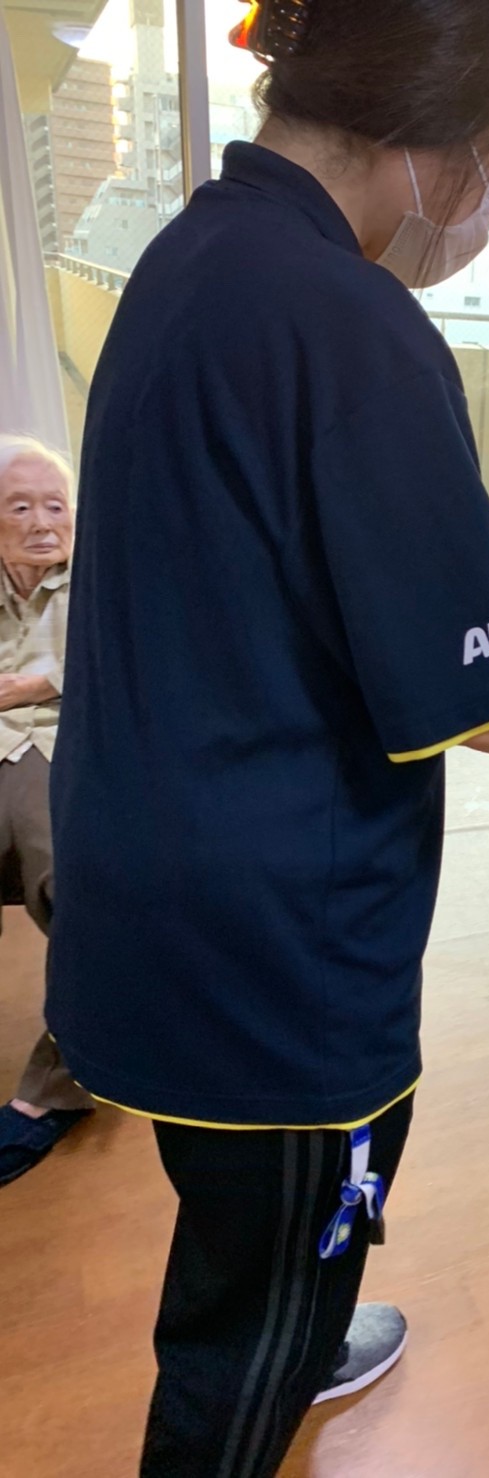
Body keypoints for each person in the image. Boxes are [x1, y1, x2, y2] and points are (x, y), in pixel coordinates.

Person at [45, 3, 489, 1473]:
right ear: (439, 131)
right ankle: (276, 1354)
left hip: (145, 873)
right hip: (273, 936)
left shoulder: (187, 260)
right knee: (245, 1313)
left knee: (243, 1219)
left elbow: (269, 577)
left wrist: (470, 614)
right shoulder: (353, 322)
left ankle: (304, 1330)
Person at [0, 435, 93, 1188]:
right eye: (20, 506)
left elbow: (136, 650)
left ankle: (57, 1088)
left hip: (64, 743)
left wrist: (39, 683)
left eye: (55, 506)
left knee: (77, 883)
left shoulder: (99, 576)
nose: (41, 523)